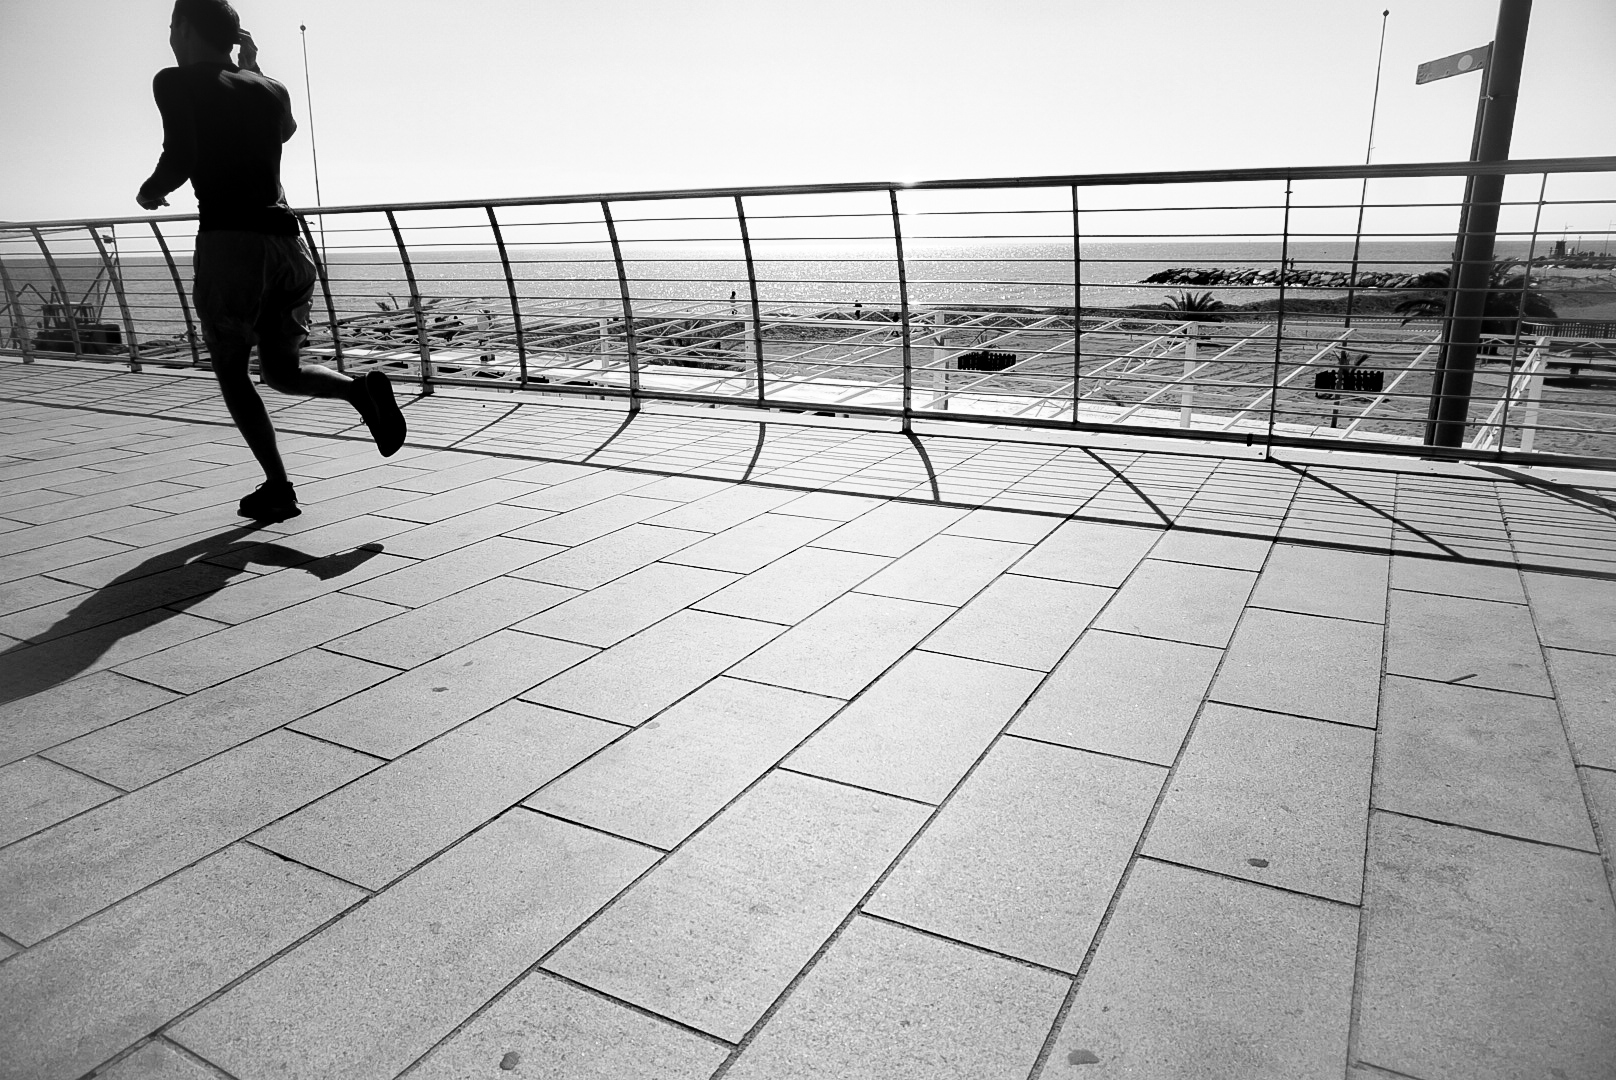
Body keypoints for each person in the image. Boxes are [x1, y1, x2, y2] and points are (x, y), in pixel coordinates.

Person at [137, 0, 405, 522]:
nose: (170, 36)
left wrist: (152, 191)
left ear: (186, 28)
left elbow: (182, 153)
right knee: (280, 370)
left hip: (232, 243)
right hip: (289, 246)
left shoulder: (174, 80)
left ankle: (279, 488)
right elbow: (282, 130)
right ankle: (360, 391)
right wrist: (252, 68)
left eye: (173, 25)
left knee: (233, 370)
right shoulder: (270, 88)